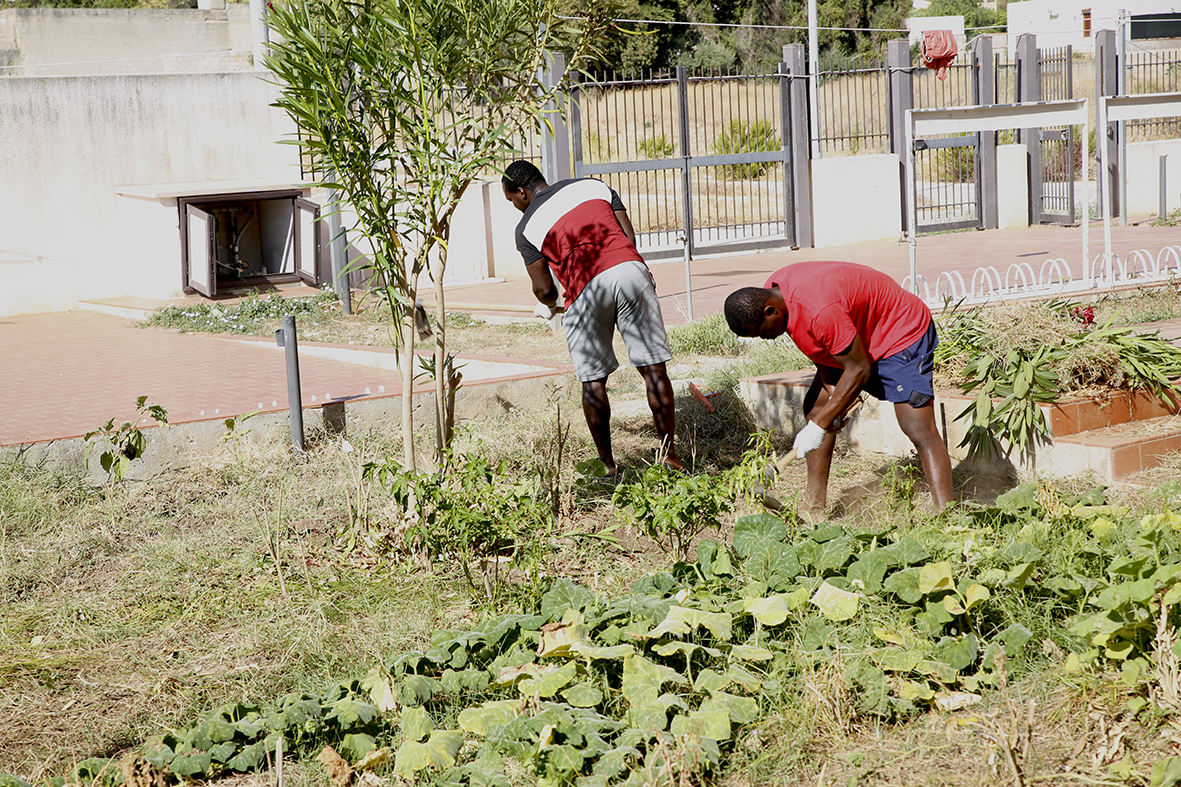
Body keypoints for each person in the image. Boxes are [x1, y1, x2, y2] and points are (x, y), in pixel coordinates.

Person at [723, 261, 954, 519]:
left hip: (898, 332)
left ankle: (947, 514)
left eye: (764, 333)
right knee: (817, 408)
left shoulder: (819, 310)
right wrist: (833, 401)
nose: (768, 339)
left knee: (917, 427)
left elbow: (859, 369)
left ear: (770, 310)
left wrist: (819, 426)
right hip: (856, 335)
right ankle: (813, 507)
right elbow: (819, 346)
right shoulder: (777, 295)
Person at [502, 159, 683, 476]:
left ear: (521, 192)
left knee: (593, 381)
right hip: (630, 270)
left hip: (585, 289)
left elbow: (544, 289)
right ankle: (670, 456)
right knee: (654, 368)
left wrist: (548, 304)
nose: (515, 207)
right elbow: (628, 238)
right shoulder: (592, 186)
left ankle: (608, 466)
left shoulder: (526, 228)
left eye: (511, 201)